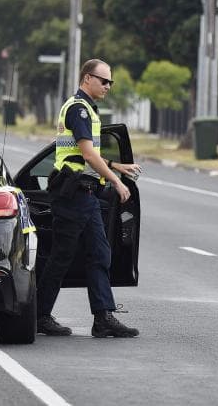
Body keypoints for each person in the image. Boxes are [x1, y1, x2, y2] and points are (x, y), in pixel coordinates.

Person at [37, 58, 142, 338]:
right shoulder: (79, 110)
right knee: (62, 256)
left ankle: (103, 318)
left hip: (84, 194)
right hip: (72, 194)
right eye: (104, 80)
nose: (108, 86)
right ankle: (40, 315)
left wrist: (116, 166)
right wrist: (116, 180)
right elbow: (86, 155)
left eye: (111, 82)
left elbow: (83, 154)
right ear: (87, 79)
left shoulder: (86, 110)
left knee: (99, 254)